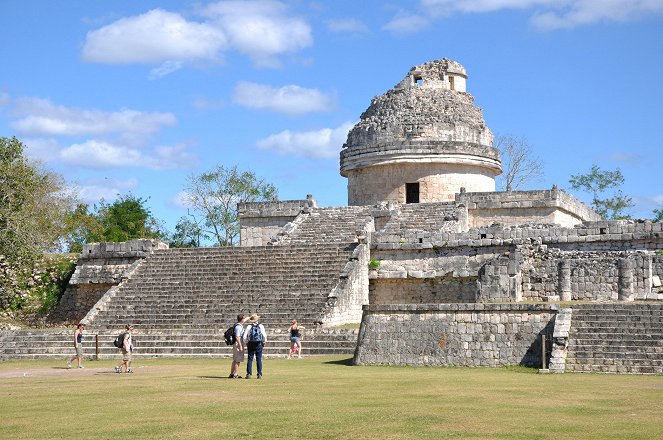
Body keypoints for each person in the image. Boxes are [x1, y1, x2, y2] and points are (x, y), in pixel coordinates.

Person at [244, 314, 267, 379]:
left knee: (250, 359)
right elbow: (264, 335)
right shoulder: (261, 326)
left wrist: (246, 342)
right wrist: (264, 342)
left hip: (251, 343)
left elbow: (245, 336)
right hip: (259, 343)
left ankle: (249, 374)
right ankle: (259, 374)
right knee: (259, 359)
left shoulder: (249, 326)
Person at [229, 314, 246, 379]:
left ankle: (232, 373)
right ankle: (235, 374)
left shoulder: (237, 325)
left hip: (237, 344)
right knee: (238, 360)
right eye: (243, 319)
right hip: (238, 343)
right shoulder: (238, 327)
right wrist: (240, 346)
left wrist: (250, 317)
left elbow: (245, 319)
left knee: (235, 359)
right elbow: (237, 337)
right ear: (242, 319)